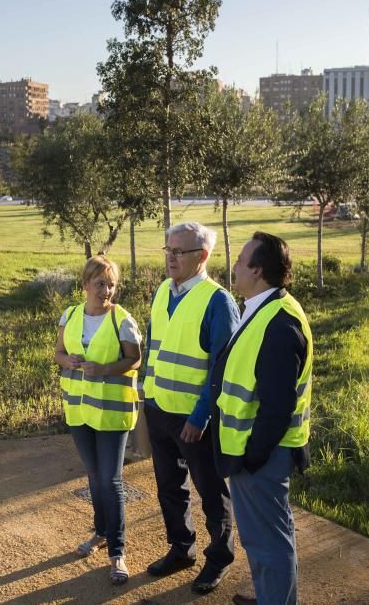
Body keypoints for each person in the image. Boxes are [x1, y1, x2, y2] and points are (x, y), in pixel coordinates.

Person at [211, 232, 312, 605]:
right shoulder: (262, 308)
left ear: (257, 269)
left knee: (268, 541)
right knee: (267, 537)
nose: (234, 265)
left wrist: (253, 457)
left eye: (240, 260)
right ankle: (273, 597)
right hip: (255, 453)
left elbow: (276, 405)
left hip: (262, 456)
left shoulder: (278, 323)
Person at [143, 222, 239, 594]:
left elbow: (221, 366)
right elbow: (156, 349)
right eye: (167, 249)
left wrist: (201, 416)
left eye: (178, 251)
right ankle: (182, 548)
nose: (170, 256)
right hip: (159, 410)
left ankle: (219, 559)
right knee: (169, 488)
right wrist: (147, 395)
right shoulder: (162, 291)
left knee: (212, 492)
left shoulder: (218, 301)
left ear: (202, 257)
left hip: (194, 420)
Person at [54, 255, 142, 585]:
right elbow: (57, 354)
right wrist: (70, 360)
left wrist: (105, 369)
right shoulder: (71, 314)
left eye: (111, 284)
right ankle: (101, 532)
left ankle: (117, 552)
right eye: (100, 283)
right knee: (94, 476)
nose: (106, 290)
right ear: (85, 284)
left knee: (111, 479)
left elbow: (135, 359)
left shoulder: (123, 320)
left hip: (112, 411)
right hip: (79, 410)